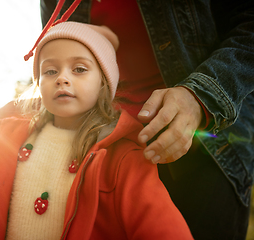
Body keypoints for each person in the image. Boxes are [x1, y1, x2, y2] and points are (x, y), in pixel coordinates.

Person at [0, 21, 193, 239]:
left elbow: (162, 229)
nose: (62, 78)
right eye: (50, 71)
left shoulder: (123, 156)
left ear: (104, 83)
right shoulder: (7, 141)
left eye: (79, 69)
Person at [37, 0, 254, 239]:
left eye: (79, 69)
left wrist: (201, 96)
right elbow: (57, 52)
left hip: (210, 148)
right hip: (100, 150)